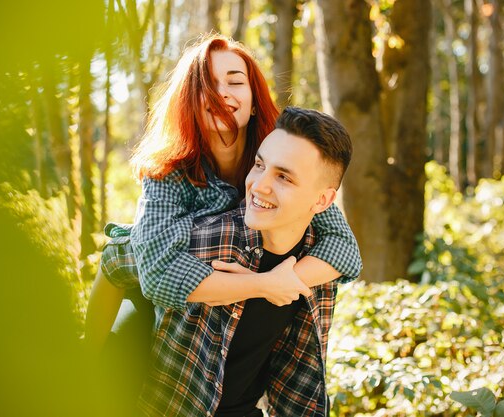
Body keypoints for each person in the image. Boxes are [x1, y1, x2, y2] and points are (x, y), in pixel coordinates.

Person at [85, 34, 361, 351]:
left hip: (213, 307)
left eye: (235, 82)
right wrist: (263, 285)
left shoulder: (277, 159)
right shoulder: (166, 171)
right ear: (189, 100)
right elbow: (158, 276)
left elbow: (344, 249)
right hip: (140, 292)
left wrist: (288, 278)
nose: (221, 94)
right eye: (207, 84)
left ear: (255, 100)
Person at [101, 106, 359, 416]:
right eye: (259, 165)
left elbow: (299, 379)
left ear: (322, 201)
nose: (259, 185)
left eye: (284, 178)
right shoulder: (208, 240)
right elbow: (114, 258)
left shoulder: (320, 262)